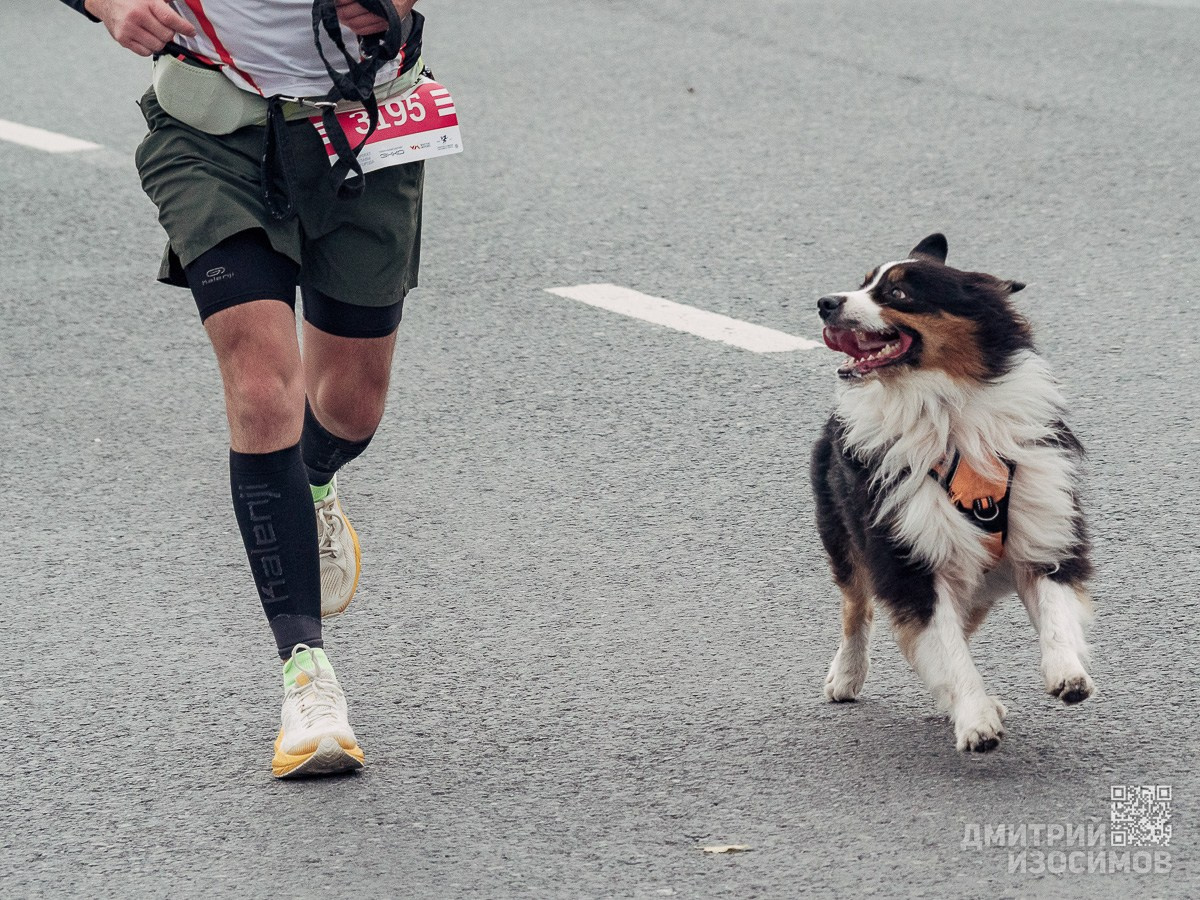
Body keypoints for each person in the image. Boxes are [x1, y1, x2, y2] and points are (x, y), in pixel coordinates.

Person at [59, 0, 429, 778]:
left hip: (362, 124)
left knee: (351, 408)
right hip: (211, 128)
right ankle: (307, 680)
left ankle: (316, 481)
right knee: (263, 390)